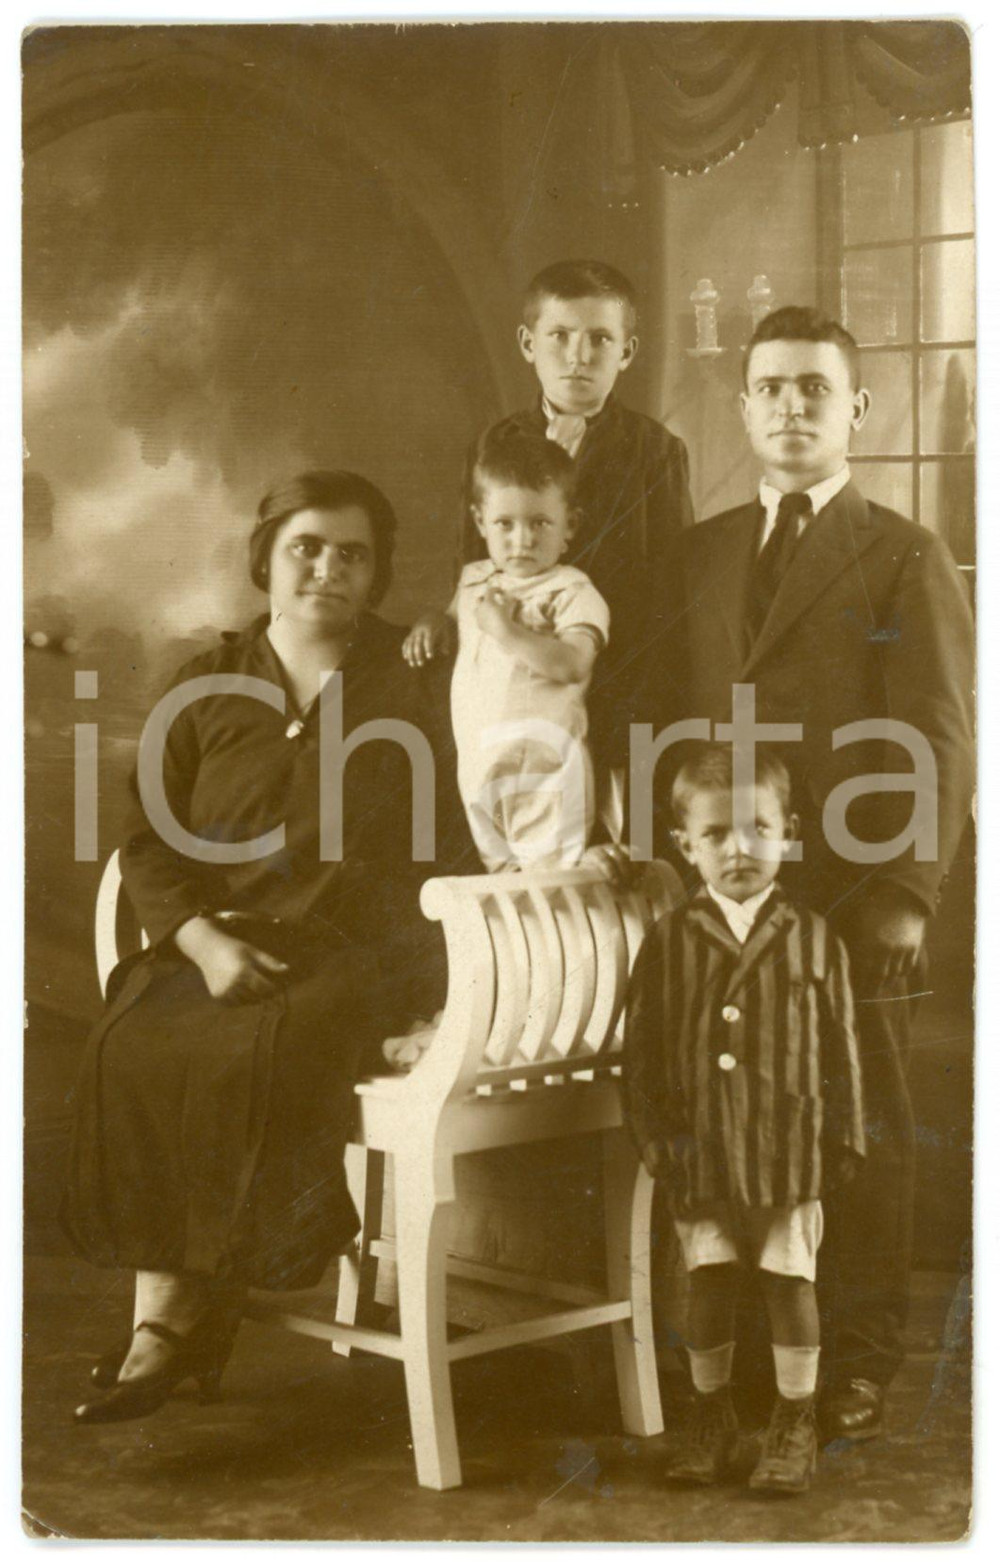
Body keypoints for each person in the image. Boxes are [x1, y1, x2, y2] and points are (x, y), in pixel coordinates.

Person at [649, 307, 975, 1442]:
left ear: (856, 412)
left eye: (814, 389)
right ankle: (743, 1359)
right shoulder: (698, 550)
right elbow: (662, 716)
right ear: (742, 408)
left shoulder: (901, 551)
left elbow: (939, 731)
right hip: (722, 899)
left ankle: (859, 1356)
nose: (792, 406)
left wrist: (905, 889)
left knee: (858, 1121)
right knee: (730, 1118)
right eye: (771, 387)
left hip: (851, 893)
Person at [62, 470, 448, 1423]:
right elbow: (147, 836)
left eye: (352, 553)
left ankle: (184, 1323)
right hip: (219, 942)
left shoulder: (413, 671)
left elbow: (465, 813)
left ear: (379, 571)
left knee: (261, 1044)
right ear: (267, 560)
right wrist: (197, 940)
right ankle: (167, 1317)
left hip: (355, 951)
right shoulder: (206, 681)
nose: (328, 568)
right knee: (138, 1040)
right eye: (306, 548)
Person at [624, 744, 865, 1495]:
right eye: (717, 834)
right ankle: (712, 1413)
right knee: (711, 1278)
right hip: (701, 1150)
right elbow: (644, 1054)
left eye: (757, 829)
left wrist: (845, 1140)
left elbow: (843, 1049)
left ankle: (793, 1420)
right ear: (684, 844)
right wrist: (660, 1145)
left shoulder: (813, 936)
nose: (739, 849)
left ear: (787, 832)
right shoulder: (669, 942)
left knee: (790, 1280)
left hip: (787, 1148)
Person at [455, 259, 693, 812]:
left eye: (600, 339)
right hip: (510, 694)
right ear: (528, 343)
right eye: (559, 336)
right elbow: (471, 565)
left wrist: (643, 710)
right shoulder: (494, 445)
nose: (579, 356)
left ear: (626, 353)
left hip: (614, 682)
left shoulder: (654, 451)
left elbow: (670, 587)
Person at [404, 433, 608, 869]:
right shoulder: (474, 579)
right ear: (480, 522)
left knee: (550, 887)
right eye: (505, 524)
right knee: (503, 884)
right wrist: (432, 623)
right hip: (479, 764)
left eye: (540, 523)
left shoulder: (571, 589)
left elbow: (573, 664)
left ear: (569, 525)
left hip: (546, 768)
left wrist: (505, 630)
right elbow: (452, 620)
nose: (522, 540)